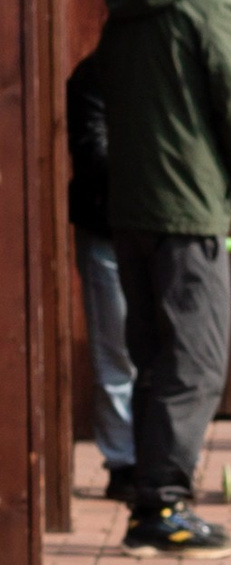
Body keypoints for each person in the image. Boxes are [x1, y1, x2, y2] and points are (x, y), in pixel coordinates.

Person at [95, 0, 231, 553]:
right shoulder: (213, 2)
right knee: (194, 362)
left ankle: (147, 500)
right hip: (191, 207)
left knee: (153, 358)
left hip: (131, 206)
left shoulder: (127, 3)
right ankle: (164, 507)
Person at [66, 45, 135, 500]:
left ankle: (162, 460)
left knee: (167, 354)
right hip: (107, 228)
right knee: (115, 355)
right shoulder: (94, 75)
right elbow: (92, 152)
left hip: (166, 230)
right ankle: (124, 462)